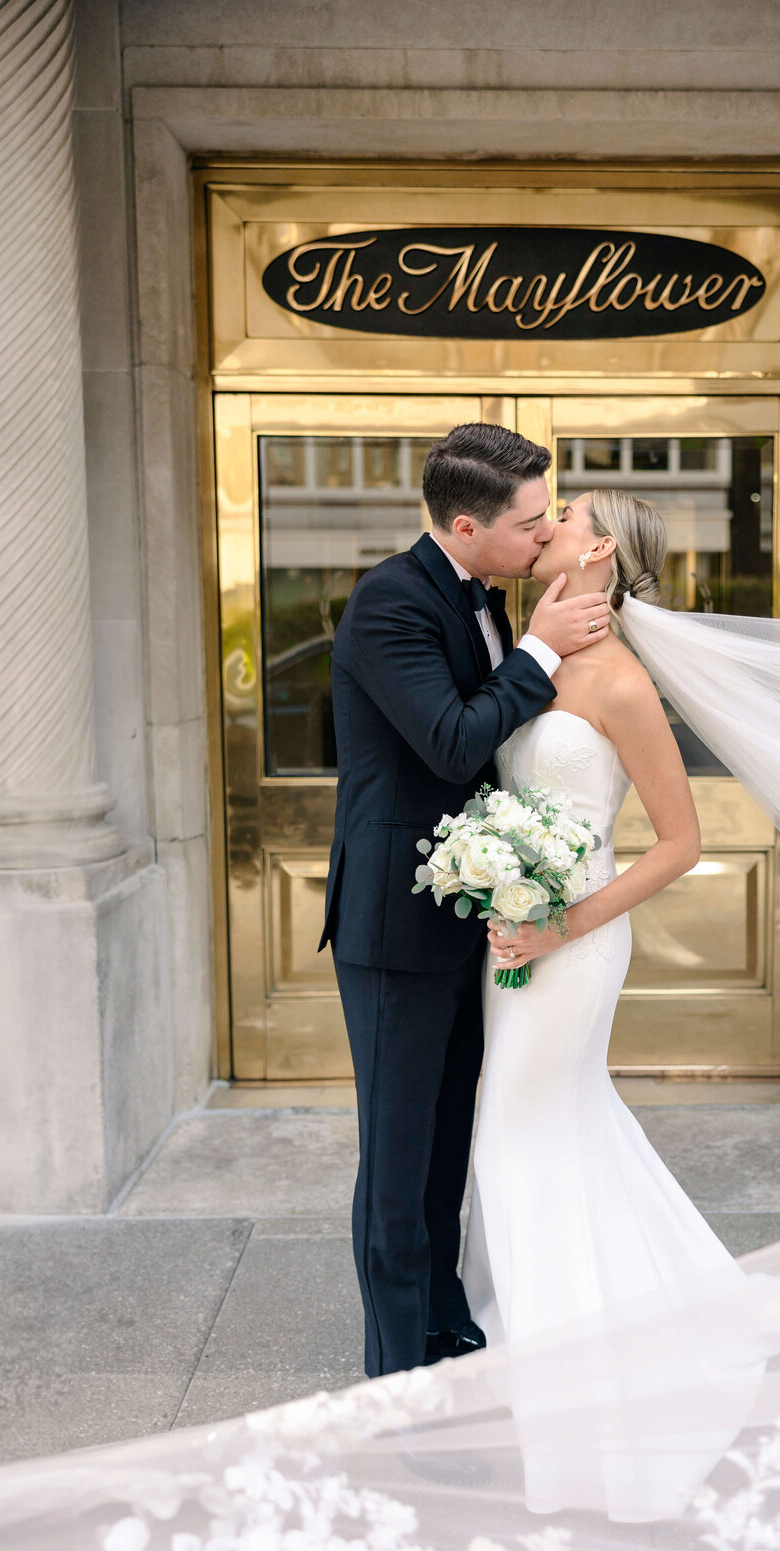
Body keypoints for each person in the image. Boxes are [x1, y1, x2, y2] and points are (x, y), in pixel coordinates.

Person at [462, 488, 780, 1516]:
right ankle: (595, 1337)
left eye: (564, 512)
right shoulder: (536, 659)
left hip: (577, 943)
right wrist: (493, 884)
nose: (544, 518)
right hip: (515, 933)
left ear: (599, 547)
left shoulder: (623, 685)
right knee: (541, 1131)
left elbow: (683, 844)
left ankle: (573, 1398)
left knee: (520, 1136)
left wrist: (562, 924)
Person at [320, 423, 611, 1379]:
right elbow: (451, 742)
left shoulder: (490, 594)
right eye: (531, 524)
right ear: (463, 523)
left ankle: (446, 1324)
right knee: (399, 1166)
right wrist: (534, 650)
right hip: (394, 928)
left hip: (472, 921)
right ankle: (394, 1372)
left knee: (451, 1144)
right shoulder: (388, 604)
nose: (543, 537)